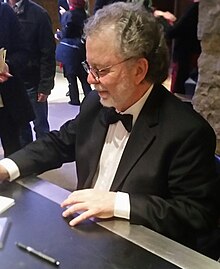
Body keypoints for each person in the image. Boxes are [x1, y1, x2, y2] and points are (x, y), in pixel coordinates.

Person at [0, 2, 219, 251]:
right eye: (88, 67)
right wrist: (6, 167)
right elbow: (59, 142)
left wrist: (118, 203)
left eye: (101, 70)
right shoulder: (96, 103)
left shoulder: (187, 131)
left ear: (139, 70)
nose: (91, 80)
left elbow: (197, 214)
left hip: (139, 252)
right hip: (86, 237)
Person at [6, 0, 56, 146]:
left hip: (33, 81)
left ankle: (45, 158)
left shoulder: (38, 14)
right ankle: (26, 162)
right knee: (20, 126)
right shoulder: (3, 11)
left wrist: (45, 85)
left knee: (40, 125)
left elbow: (47, 52)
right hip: (10, 81)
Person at [0, 2, 34, 157]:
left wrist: (8, 65)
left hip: (7, 102)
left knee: (15, 154)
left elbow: (23, 52)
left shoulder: (4, 12)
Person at [55, 0, 92, 105]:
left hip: (69, 50)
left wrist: (58, 34)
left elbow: (66, 32)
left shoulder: (68, 15)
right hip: (81, 48)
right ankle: (90, 99)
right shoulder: (86, 14)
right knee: (83, 76)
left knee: (71, 76)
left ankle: (74, 99)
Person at [166, 0, 201, 94]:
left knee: (178, 87)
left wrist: (166, 24)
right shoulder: (197, 8)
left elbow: (175, 31)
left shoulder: (195, 8)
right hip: (192, 53)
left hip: (184, 54)